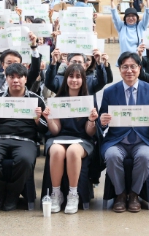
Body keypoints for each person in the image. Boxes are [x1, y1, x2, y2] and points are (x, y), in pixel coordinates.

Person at [99, 52, 149, 213]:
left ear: (139, 68)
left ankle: (134, 194)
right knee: (112, 155)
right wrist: (102, 120)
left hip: (142, 140)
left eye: (133, 66)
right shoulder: (110, 92)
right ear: (119, 70)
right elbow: (101, 121)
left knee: (145, 156)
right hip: (117, 141)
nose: (129, 70)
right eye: (125, 67)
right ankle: (120, 194)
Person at [0, 63, 47, 211]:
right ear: (6, 78)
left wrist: (38, 120)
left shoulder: (36, 100)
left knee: (25, 159)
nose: (15, 80)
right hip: (0, 138)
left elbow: (45, 129)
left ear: (25, 79)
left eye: (19, 77)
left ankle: (12, 194)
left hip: (26, 140)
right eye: (11, 77)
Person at [45, 63, 99, 214]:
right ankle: (56, 194)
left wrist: (92, 120)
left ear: (83, 80)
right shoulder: (58, 100)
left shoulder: (88, 101)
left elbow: (90, 132)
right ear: (65, 79)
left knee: (73, 151)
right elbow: (55, 131)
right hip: (60, 138)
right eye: (70, 76)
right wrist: (49, 119)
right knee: (56, 151)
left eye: (78, 77)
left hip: (82, 140)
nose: (74, 80)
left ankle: (73, 194)